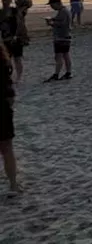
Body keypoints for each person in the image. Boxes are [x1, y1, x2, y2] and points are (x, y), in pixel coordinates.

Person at [2, 42, 20, 196]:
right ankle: (13, 184)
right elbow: (10, 93)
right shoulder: (3, 63)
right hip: (3, 108)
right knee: (7, 148)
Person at [45, 0, 73, 82]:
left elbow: (62, 24)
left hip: (61, 37)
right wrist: (53, 19)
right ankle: (68, 72)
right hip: (65, 36)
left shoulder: (63, 11)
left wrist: (51, 23)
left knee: (59, 56)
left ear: (56, 3)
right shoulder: (64, 11)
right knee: (65, 55)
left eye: (52, 5)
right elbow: (61, 21)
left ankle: (56, 74)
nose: (51, 7)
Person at [0, 0, 24, 84]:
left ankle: (19, 77)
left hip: (15, 38)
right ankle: (9, 76)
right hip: (5, 38)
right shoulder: (1, 12)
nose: (5, 2)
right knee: (7, 59)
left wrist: (16, 35)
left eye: (6, 0)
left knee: (17, 58)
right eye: (3, 0)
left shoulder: (14, 11)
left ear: (10, 1)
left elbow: (19, 23)